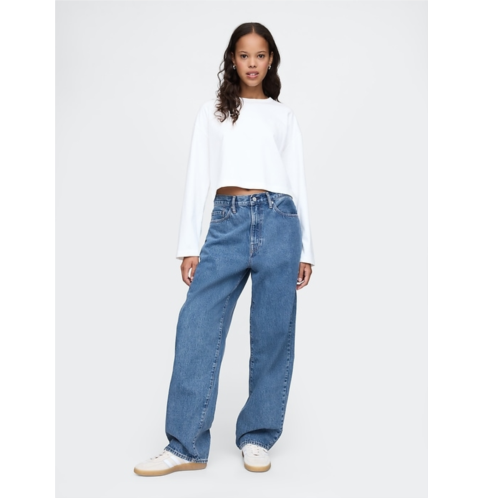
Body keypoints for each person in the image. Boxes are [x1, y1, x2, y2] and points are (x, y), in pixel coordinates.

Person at [134, 21, 315, 477]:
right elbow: (197, 177)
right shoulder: (214, 112)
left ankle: (257, 436)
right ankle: (185, 446)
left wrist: (306, 250)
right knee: (196, 326)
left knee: (273, 332)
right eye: (244, 55)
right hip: (227, 222)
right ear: (232, 60)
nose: (252, 63)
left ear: (270, 60)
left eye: (260, 55)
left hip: (280, 221)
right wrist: (188, 246)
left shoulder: (283, 116)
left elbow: (297, 183)